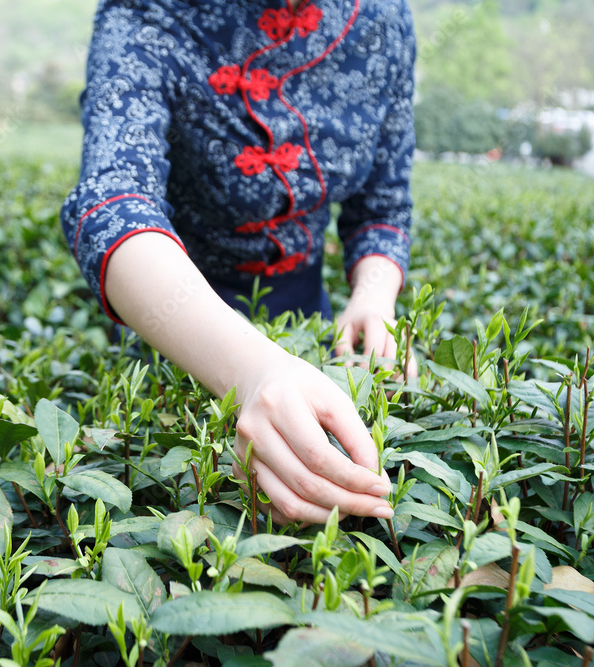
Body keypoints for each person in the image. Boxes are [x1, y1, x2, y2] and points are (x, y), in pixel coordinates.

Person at [61, 0, 416, 525]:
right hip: (177, 321)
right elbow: (112, 201)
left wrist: (374, 296)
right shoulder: (149, 11)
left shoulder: (382, 17)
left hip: (305, 316)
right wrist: (251, 371)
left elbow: (383, 203)